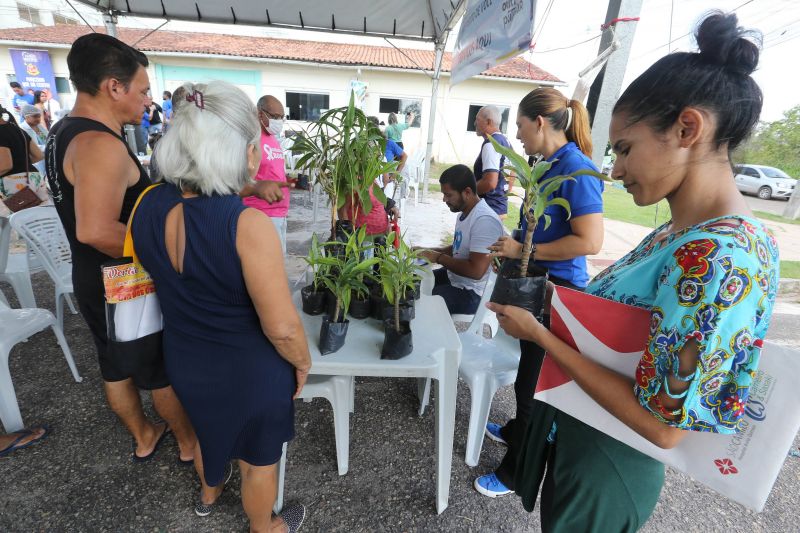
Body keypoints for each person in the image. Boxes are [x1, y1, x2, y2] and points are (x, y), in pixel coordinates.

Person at [485, 12, 778, 532]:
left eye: (624, 148)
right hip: (587, 441)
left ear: (687, 128)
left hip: (610, 462)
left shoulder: (717, 255)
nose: (615, 169)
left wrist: (540, 335)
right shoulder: (679, 234)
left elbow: (663, 425)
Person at [132, 80, 309, 531]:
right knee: (258, 461)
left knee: (207, 431)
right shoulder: (246, 225)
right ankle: (263, 526)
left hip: (186, 358)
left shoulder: (147, 205)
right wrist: (302, 363)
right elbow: (283, 329)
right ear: (246, 152)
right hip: (249, 371)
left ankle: (210, 490)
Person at [45, 33, 197, 466]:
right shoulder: (100, 146)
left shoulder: (63, 131)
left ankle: (145, 436)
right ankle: (190, 445)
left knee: (114, 364)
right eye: (143, 89)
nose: (147, 100)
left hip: (91, 276)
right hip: (123, 280)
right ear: (114, 86)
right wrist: (167, 254)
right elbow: (95, 229)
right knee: (158, 370)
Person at [474, 87, 604, 498]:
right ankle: (515, 431)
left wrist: (523, 251)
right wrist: (513, 254)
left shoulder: (577, 170)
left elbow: (590, 242)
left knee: (533, 384)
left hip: (558, 291)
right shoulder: (546, 166)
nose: (519, 134)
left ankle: (516, 473)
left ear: (540, 122)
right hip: (534, 279)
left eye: (521, 126)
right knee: (525, 365)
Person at [417, 164, 504, 314]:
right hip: (457, 279)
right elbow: (459, 248)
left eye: (449, 195)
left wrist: (438, 257)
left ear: (467, 192)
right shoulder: (465, 213)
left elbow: (476, 271)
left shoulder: (484, 220)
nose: (444, 199)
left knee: (421, 301)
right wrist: (428, 251)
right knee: (414, 283)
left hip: (473, 293)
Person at [243, 94, 291, 253]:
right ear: (259, 113)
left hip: (279, 213)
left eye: (282, 117)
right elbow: (241, 179)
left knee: (278, 261)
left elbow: (273, 172)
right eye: (275, 116)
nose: (278, 121)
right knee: (267, 265)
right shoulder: (251, 140)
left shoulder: (272, 138)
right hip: (261, 213)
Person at [0, 104, 46, 211]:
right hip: (34, 178)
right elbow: (38, 155)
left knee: (22, 223)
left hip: (14, 184)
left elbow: (6, 165)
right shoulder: (18, 129)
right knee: (42, 219)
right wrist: (20, 162)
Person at [473, 105, 512, 219]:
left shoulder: (491, 143)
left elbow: (490, 183)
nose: (474, 123)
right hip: (500, 208)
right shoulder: (505, 141)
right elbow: (512, 174)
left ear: (488, 122)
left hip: (489, 209)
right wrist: (501, 196)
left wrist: (468, 191)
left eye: (477, 120)